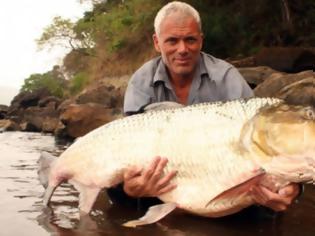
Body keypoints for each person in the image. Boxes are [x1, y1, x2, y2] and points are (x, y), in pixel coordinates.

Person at [111, 1, 300, 213]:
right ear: (157, 42)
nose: (182, 49)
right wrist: (129, 188)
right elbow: (126, 149)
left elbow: (263, 144)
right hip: (164, 179)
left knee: (267, 207)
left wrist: (291, 187)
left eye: (190, 40)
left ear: (201, 40)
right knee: (118, 193)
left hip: (219, 176)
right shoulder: (141, 82)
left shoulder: (227, 77)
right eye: (172, 41)